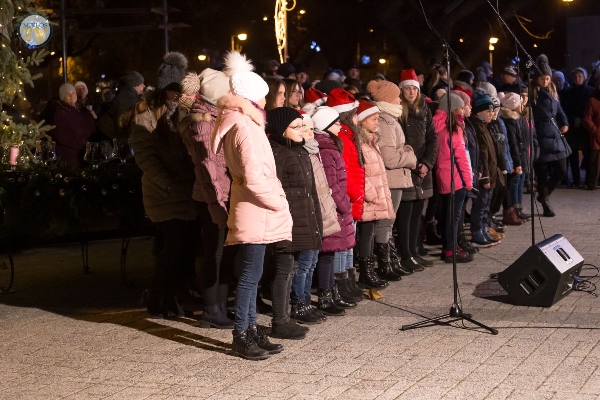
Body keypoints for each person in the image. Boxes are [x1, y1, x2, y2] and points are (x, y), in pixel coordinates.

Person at [212, 51, 292, 360]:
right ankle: (241, 333)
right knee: (249, 275)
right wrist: (277, 201)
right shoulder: (245, 127)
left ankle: (250, 327)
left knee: (253, 273)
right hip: (255, 207)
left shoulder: (244, 123)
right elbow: (253, 175)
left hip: (254, 207)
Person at [131, 52, 198, 320]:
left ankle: (173, 294)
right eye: (173, 92)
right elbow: (145, 157)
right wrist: (167, 184)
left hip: (183, 190)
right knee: (173, 245)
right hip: (163, 193)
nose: (177, 97)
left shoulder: (179, 113)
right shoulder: (145, 115)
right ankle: (157, 295)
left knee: (184, 246)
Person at [178, 68, 235, 329]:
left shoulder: (214, 116)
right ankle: (211, 309)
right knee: (214, 253)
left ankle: (221, 305)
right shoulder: (201, 121)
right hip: (212, 196)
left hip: (222, 193)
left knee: (224, 253)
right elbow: (208, 168)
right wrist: (218, 204)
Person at [264, 107, 323, 339]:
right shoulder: (278, 154)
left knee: (291, 270)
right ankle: (280, 320)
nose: (302, 131)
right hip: (286, 222)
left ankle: (285, 318)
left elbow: (309, 192)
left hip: (300, 220)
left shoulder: (299, 152)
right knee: (283, 270)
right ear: (281, 129)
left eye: (302, 126)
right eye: (296, 127)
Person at [367, 78, 417, 277]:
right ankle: (385, 264)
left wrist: (404, 151)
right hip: (391, 179)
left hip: (395, 178)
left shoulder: (390, 119)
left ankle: (391, 261)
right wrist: (410, 157)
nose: (400, 100)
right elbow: (390, 157)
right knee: (386, 222)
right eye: (397, 97)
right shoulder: (386, 122)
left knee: (389, 222)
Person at [311, 106, 357, 316]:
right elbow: (332, 184)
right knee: (326, 255)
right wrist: (345, 205)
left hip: (335, 206)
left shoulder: (329, 146)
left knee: (329, 254)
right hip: (333, 208)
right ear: (328, 126)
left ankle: (331, 292)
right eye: (337, 123)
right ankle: (325, 296)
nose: (341, 126)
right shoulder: (327, 150)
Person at [398, 69, 438, 268]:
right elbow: (401, 144)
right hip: (407, 169)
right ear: (402, 90)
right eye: (408, 89)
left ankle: (414, 251)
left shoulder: (424, 109)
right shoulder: (399, 112)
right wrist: (414, 164)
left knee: (417, 214)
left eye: (414, 88)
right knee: (405, 215)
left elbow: (432, 138)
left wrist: (427, 163)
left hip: (423, 169)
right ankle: (405, 254)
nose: (412, 92)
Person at [355, 100, 396, 287]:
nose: (377, 122)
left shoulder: (372, 141)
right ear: (362, 120)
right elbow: (361, 173)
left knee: (370, 234)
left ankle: (370, 270)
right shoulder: (361, 144)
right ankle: (365, 272)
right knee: (365, 234)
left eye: (378, 118)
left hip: (375, 197)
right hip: (368, 199)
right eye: (373, 118)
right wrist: (373, 195)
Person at [433, 92, 474, 262]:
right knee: (454, 217)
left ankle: (449, 247)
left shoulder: (439, 128)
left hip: (444, 177)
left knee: (447, 215)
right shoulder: (453, 130)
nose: (464, 111)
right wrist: (469, 181)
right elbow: (461, 158)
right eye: (460, 108)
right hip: (456, 179)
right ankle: (450, 250)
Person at [531, 55, 570, 217]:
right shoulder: (532, 93)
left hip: (555, 136)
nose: (545, 81)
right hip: (540, 137)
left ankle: (543, 194)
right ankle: (546, 204)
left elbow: (560, 111)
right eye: (542, 78)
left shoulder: (553, 91)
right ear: (537, 78)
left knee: (561, 170)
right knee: (541, 173)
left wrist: (565, 123)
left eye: (547, 78)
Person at [469, 89, 502, 246]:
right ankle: (476, 230)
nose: (491, 113)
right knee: (480, 205)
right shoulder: (477, 128)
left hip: (491, 173)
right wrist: (485, 177)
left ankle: (483, 228)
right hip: (485, 176)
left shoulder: (485, 127)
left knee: (486, 204)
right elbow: (482, 155)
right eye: (487, 111)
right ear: (478, 112)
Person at [561, 67, 594, 188]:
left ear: (584, 77)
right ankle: (575, 180)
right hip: (573, 127)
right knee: (573, 155)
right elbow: (564, 109)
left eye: (580, 76)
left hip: (586, 128)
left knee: (589, 155)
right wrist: (573, 119)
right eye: (575, 76)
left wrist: (584, 119)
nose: (577, 78)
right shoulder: (568, 93)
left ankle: (588, 180)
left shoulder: (591, 92)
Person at [50, 83, 95, 166]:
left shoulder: (83, 110)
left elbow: (92, 127)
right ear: (62, 97)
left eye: (73, 93)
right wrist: (83, 143)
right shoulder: (59, 113)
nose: (72, 96)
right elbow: (62, 135)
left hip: (87, 153)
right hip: (70, 156)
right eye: (68, 94)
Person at [583, 80, 600, 190]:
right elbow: (586, 119)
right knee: (595, 162)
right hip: (596, 137)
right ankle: (592, 183)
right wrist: (595, 130)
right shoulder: (592, 100)